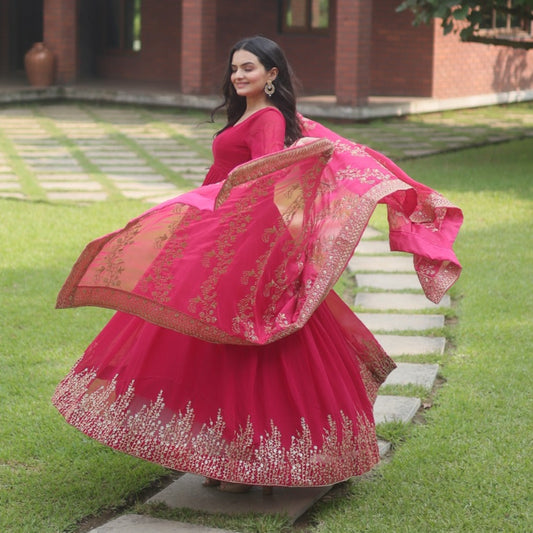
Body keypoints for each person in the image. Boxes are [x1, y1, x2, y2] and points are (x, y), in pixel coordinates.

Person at [52, 36, 463, 493]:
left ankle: (253, 461)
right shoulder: (251, 115)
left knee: (246, 346)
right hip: (222, 234)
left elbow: (267, 177)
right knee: (211, 345)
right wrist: (196, 212)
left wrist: (229, 218)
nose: (238, 75)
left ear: (272, 75)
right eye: (234, 69)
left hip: (246, 240)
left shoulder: (267, 117)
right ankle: (228, 456)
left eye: (249, 68)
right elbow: (233, 177)